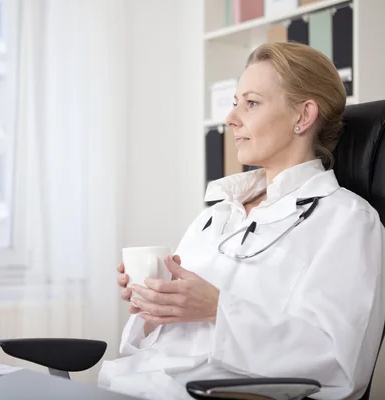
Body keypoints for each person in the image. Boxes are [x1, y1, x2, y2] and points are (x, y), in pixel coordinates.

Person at [98, 41, 385, 400]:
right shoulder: (217, 214)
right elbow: (160, 341)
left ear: (303, 116)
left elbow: (337, 362)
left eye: (251, 103)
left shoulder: (348, 221)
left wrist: (217, 309)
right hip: (133, 385)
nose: (231, 118)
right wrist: (157, 305)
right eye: (235, 103)